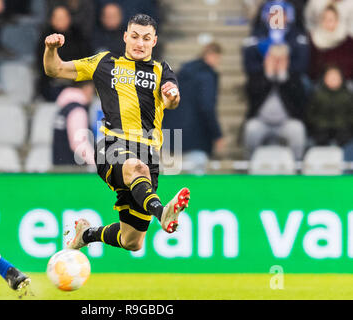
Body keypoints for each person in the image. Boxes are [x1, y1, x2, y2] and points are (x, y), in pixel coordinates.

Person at [43, 13, 190, 252]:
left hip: (149, 154)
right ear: (125, 37)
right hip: (112, 145)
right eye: (134, 36)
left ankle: (86, 234)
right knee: (136, 168)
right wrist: (51, 49)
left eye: (146, 38)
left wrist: (172, 96)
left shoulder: (162, 69)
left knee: (132, 241)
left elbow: (171, 100)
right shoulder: (104, 63)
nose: (139, 43)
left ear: (154, 41)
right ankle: (163, 212)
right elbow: (54, 69)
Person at [163, 42, 225, 174]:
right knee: (195, 180)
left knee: (169, 182)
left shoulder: (181, 73)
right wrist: (217, 135)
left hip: (170, 133)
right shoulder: (207, 77)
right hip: (195, 137)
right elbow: (207, 107)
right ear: (212, 56)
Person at [243, 44, 308, 160]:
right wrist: (268, 76)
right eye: (274, 59)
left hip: (285, 122)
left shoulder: (293, 78)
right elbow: (251, 94)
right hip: (262, 121)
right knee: (250, 129)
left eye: (280, 60)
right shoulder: (257, 76)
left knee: (298, 130)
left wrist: (283, 78)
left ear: (287, 61)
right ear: (267, 59)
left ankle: (296, 165)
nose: (277, 63)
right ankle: (250, 163)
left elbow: (300, 100)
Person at [37, 5, 91, 101]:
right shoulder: (46, 39)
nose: (60, 21)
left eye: (63, 18)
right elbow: (43, 68)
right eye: (57, 18)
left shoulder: (79, 37)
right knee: (71, 97)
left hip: (77, 83)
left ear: (69, 19)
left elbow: (87, 63)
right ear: (51, 20)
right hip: (53, 85)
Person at [306, 65, 353, 148]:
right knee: (319, 137)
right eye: (330, 77)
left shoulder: (348, 95)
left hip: (343, 128)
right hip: (321, 128)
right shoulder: (318, 95)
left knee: (346, 137)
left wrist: (347, 123)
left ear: (341, 79)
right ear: (324, 79)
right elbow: (310, 113)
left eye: (336, 77)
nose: (333, 80)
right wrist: (318, 122)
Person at [52, 82, 96, 166]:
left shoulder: (64, 109)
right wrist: (99, 165)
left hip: (60, 168)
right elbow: (79, 145)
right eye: (93, 90)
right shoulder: (77, 111)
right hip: (74, 171)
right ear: (87, 88)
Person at [308, 4, 353, 81]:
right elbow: (312, 68)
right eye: (325, 19)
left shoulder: (347, 40)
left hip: (345, 81)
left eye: (331, 20)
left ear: (337, 20)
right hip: (322, 82)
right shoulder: (314, 40)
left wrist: (337, 76)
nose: (328, 23)